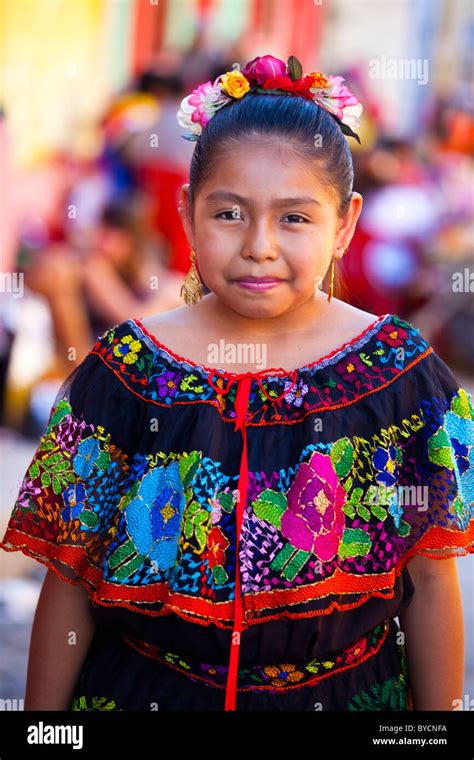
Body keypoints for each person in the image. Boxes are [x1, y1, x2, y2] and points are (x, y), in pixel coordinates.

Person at [1, 54, 473, 712]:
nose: (259, 245)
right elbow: (70, 582)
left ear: (346, 224)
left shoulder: (401, 379)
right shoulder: (126, 371)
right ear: (188, 213)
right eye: (229, 214)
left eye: (295, 218)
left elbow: (430, 581)